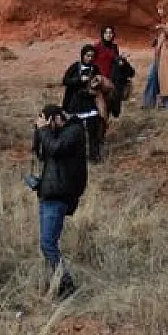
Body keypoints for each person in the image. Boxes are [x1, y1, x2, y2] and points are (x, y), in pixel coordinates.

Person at [31, 104, 88, 299]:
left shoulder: (74, 131)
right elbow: (40, 153)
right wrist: (39, 133)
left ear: (55, 119)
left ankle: (66, 284)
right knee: (47, 243)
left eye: (47, 122)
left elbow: (56, 149)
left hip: (59, 195)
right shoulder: (56, 134)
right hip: (49, 194)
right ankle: (57, 283)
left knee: (48, 243)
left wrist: (44, 131)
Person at [62, 44, 109, 162]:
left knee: (93, 130)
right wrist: (79, 80)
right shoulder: (75, 67)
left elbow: (100, 83)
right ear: (83, 56)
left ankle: (94, 156)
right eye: (88, 55)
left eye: (92, 56)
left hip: (90, 102)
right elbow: (65, 81)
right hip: (75, 103)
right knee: (75, 132)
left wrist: (96, 83)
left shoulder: (95, 68)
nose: (90, 58)